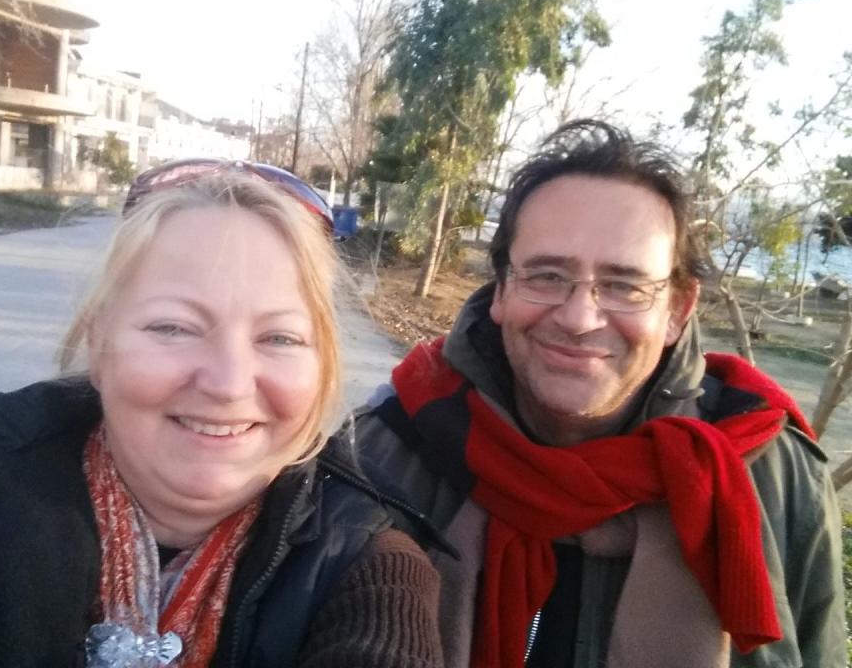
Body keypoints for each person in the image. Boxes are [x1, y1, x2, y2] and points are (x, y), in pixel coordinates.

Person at [0, 159, 444, 667]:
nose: (228, 384)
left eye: (279, 337)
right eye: (173, 328)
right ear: (99, 343)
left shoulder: (370, 569)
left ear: (323, 366)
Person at [354, 120, 845, 668]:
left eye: (625, 285)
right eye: (545, 275)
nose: (580, 318)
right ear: (500, 290)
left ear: (678, 311)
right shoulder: (380, 454)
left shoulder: (777, 477)